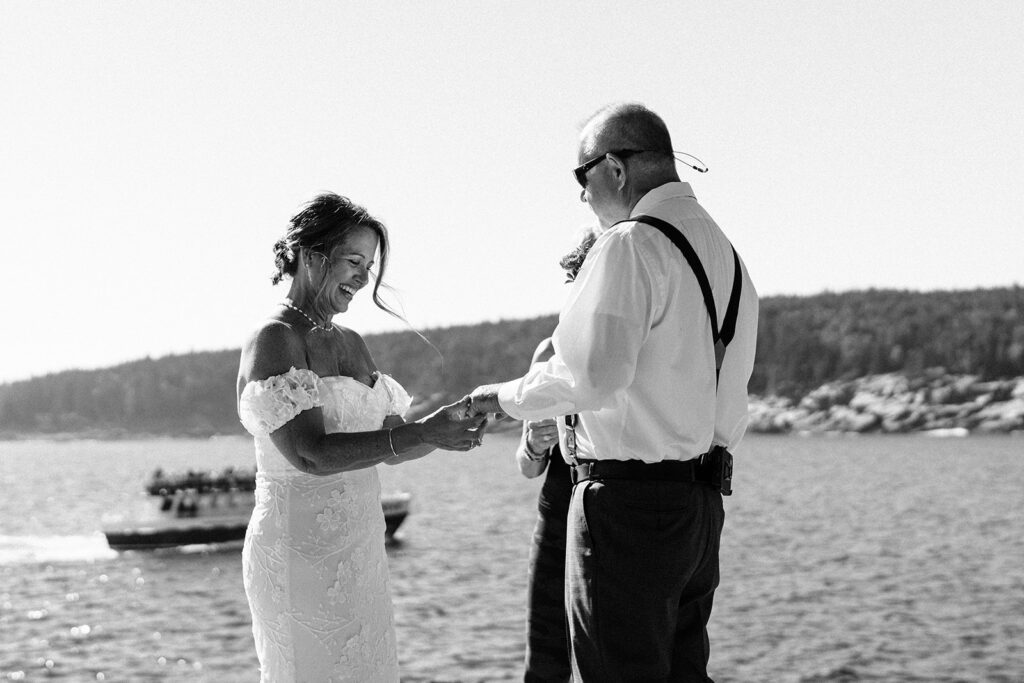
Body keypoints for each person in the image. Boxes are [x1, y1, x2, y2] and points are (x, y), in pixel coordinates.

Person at [469, 104, 759, 681]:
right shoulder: (728, 256)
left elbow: (593, 377)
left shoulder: (630, 244)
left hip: (628, 510)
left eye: (583, 177)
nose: (582, 196)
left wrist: (495, 398)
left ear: (616, 170)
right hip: (700, 510)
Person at [236, 193, 484, 682]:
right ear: (311, 257)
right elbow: (309, 453)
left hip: (359, 551)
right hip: (297, 553)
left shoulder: (351, 343)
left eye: (368, 266)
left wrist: (443, 429)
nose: (362, 277)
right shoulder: (275, 338)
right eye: (353, 261)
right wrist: (422, 433)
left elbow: (391, 441)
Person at [518, 232, 596, 683]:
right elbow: (527, 466)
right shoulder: (548, 351)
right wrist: (533, 443)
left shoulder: (621, 348)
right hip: (555, 510)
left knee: (597, 653)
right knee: (545, 656)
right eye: (572, 279)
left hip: (605, 509)